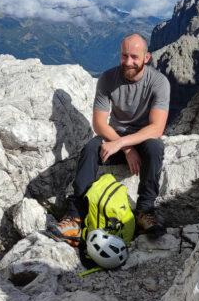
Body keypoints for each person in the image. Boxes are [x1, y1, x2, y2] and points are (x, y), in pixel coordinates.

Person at [56, 33, 169, 243]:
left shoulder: (159, 83)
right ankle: (75, 215)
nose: (128, 62)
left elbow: (156, 128)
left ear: (147, 58)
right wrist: (125, 149)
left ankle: (145, 211)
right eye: (124, 56)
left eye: (134, 57)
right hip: (116, 137)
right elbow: (99, 124)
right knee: (90, 148)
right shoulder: (108, 79)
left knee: (155, 148)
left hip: (142, 139)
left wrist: (123, 144)